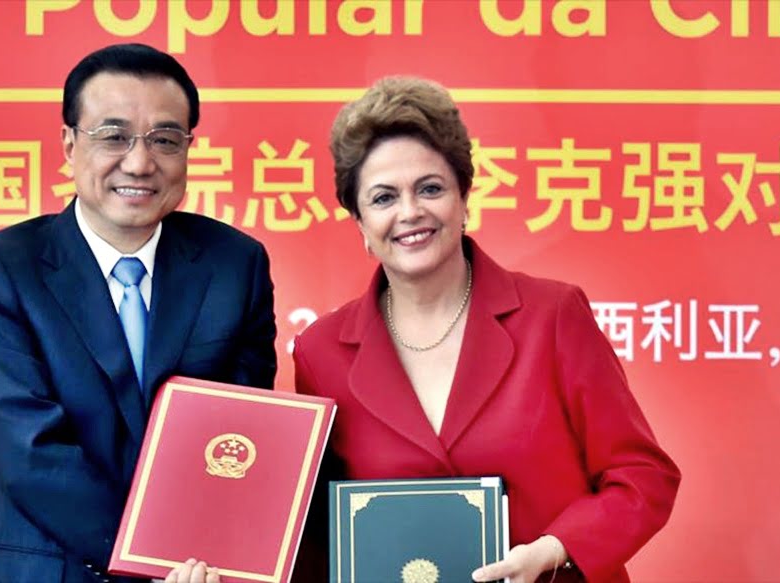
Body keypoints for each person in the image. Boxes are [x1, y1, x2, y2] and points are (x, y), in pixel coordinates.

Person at [291, 77, 681, 583]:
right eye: (384, 198)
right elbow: (322, 530)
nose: (410, 212)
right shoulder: (322, 353)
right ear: (360, 223)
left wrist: (554, 548)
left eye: (430, 189)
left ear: (463, 199)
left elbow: (643, 478)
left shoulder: (552, 314)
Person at [0, 43, 276, 583]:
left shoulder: (234, 265)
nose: (140, 162)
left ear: (189, 149)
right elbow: (30, 452)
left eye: (165, 140)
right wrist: (151, 559)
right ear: (69, 143)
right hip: (51, 568)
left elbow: (238, 435)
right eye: (114, 136)